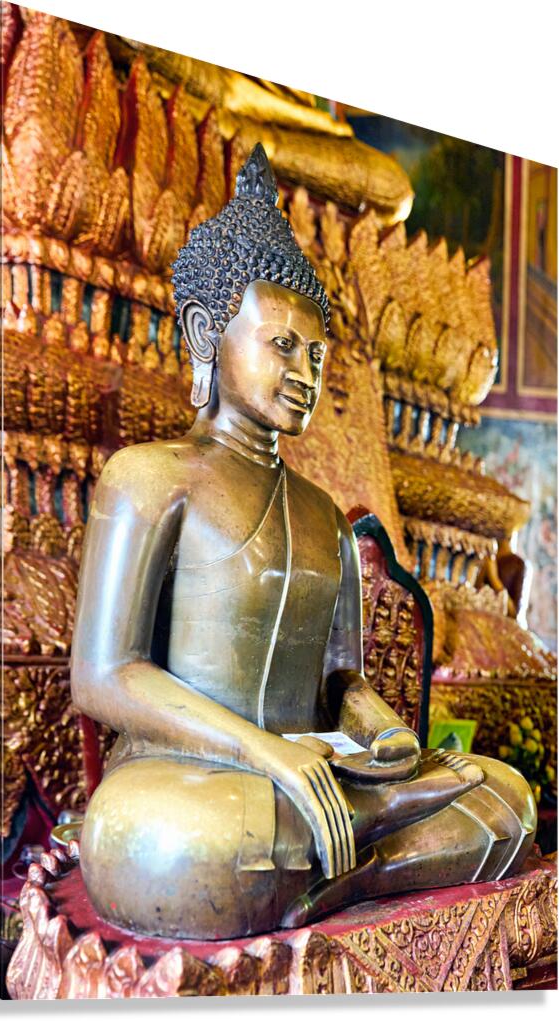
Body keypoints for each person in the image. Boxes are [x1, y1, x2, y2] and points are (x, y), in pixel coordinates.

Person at [70, 145, 536, 940]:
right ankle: (369, 838)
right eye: (283, 345)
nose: (305, 373)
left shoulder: (324, 513)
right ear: (206, 332)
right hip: (197, 780)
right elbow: (106, 675)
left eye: (317, 356)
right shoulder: (149, 479)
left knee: (505, 795)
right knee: (184, 846)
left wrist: (380, 729)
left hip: (314, 777)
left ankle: (348, 844)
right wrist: (267, 755)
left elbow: (339, 675)